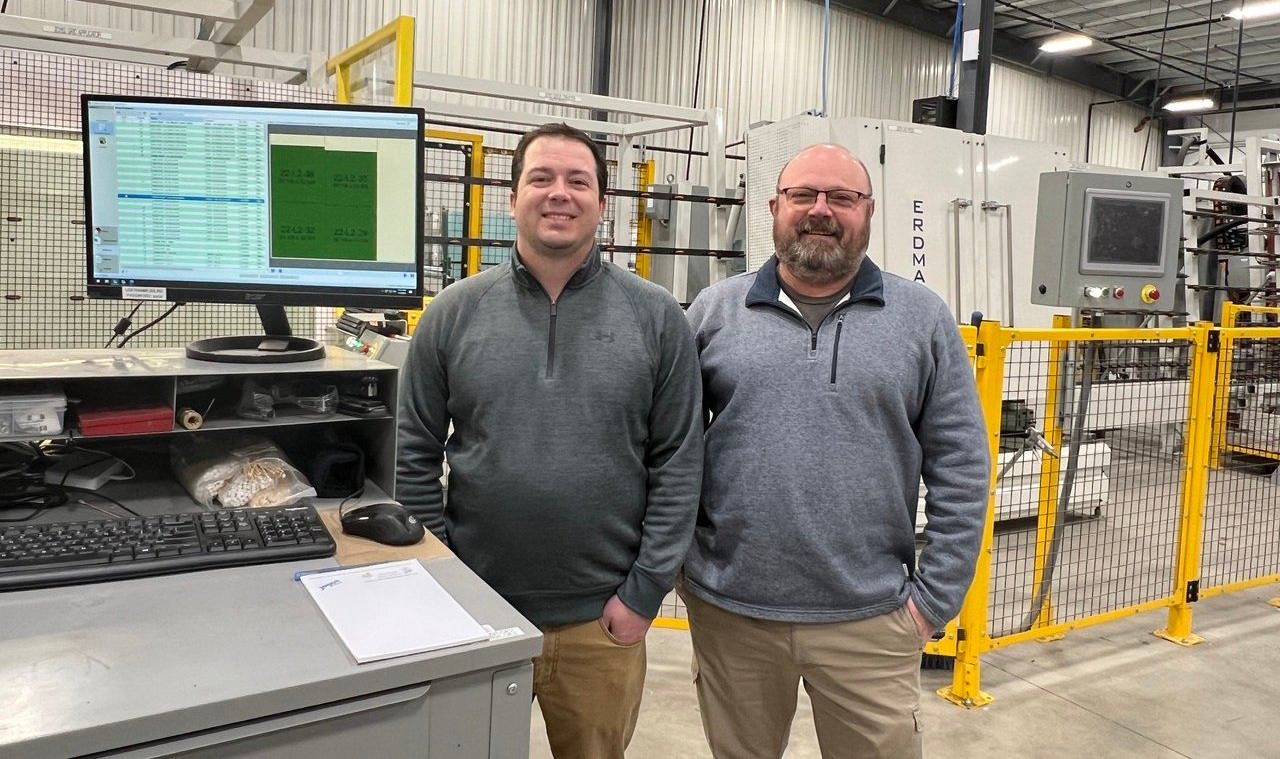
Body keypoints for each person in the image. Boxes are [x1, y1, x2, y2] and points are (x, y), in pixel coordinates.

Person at [396, 122, 704, 758]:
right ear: (512, 199)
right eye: (540, 178)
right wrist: (445, 580)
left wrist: (644, 592)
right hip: (475, 611)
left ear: (601, 204)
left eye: (577, 181)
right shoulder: (453, 312)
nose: (558, 193)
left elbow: (679, 460)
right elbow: (412, 452)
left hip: (603, 623)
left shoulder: (656, 317)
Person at [683, 142, 990, 759]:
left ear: (868, 211)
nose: (821, 210)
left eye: (841, 198)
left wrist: (932, 603)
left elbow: (961, 464)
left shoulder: (923, 318)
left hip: (871, 621)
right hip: (733, 614)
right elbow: (670, 451)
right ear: (774, 207)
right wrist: (680, 568)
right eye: (804, 195)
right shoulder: (715, 311)